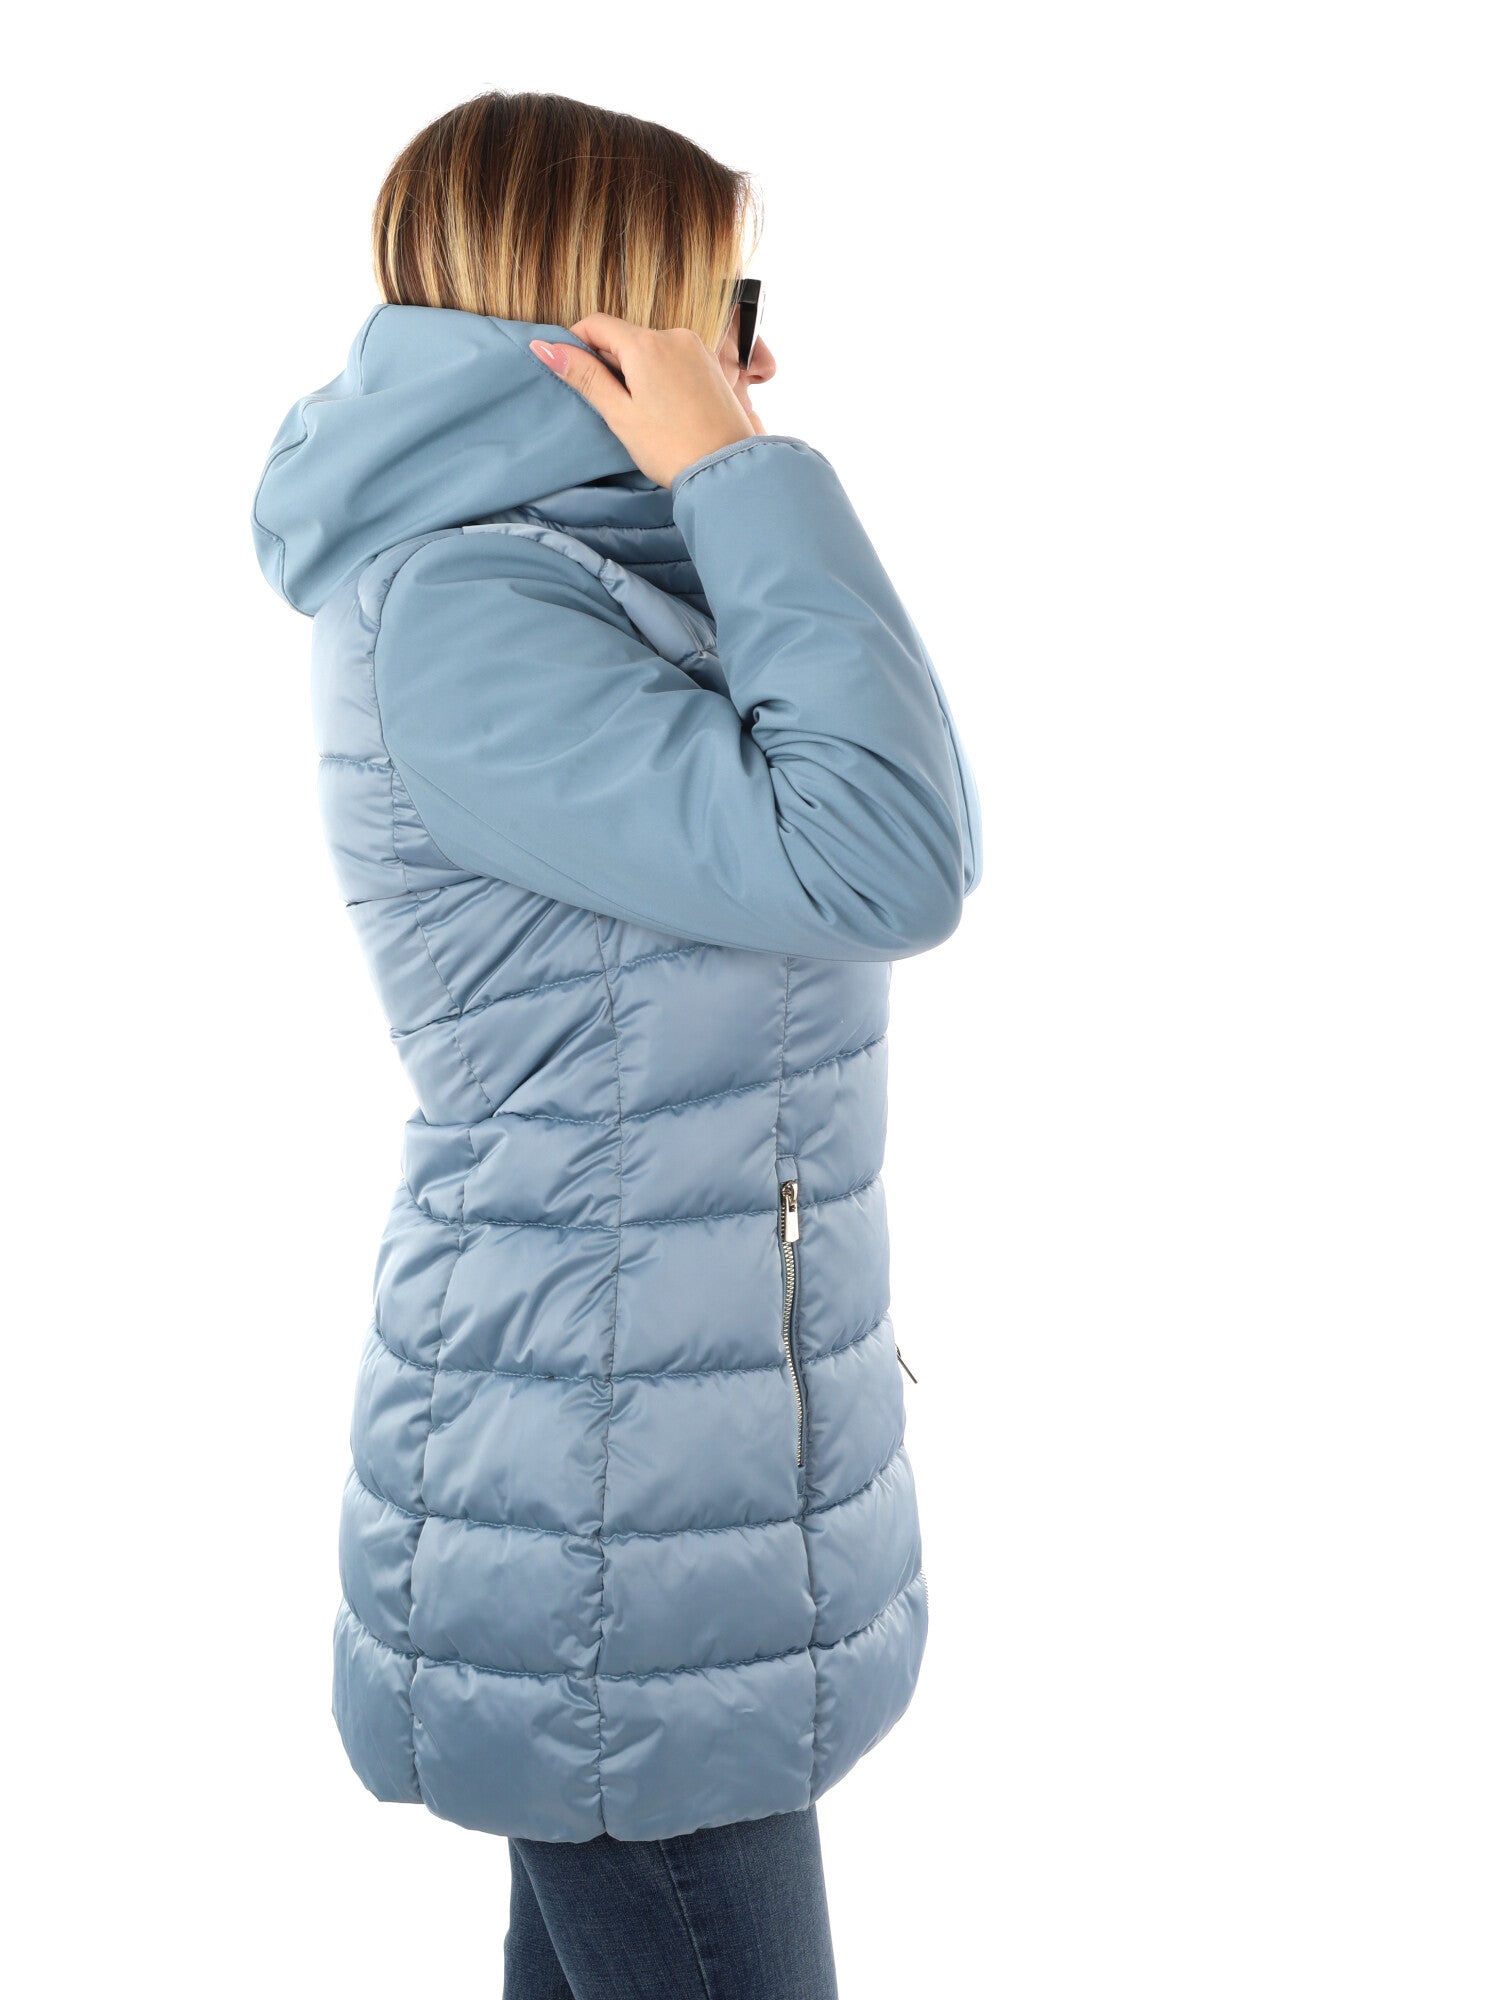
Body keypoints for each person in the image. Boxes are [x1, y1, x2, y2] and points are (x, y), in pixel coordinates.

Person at [253, 88, 982, 1999]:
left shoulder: (606, 571)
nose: (760, 362)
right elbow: (888, 856)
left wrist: (727, 492)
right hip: (600, 1504)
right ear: (599, 317)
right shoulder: (471, 612)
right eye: (728, 310)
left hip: (661, 1461)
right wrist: (746, 475)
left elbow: (904, 824)